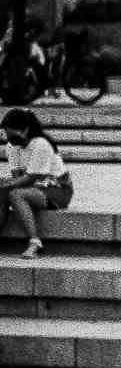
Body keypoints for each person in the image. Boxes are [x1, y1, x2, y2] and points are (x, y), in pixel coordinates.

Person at [1, 109, 71, 258]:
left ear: (25, 129)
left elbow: (29, 178)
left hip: (57, 189)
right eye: (6, 133)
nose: (7, 136)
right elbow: (17, 177)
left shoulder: (41, 144)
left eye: (10, 132)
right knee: (4, 192)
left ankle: (35, 242)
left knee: (15, 194)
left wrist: (7, 185)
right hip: (33, 188)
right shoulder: (12, 147)